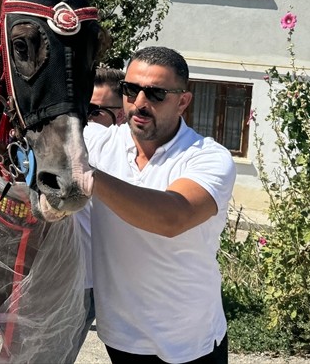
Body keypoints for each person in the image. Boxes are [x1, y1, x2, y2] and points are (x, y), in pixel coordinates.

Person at [74, 47, 236, 364]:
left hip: (189, 345)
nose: (140, 102)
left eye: (156, 93)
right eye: (131, 90)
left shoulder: (208, 157)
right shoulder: (98, 143)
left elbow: (171, 218)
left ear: (184, 101)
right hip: (120, 340)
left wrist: (89, 177)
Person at [71, 66, 129, 355]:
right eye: (82, 107)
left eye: (94, 111)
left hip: (105, 283)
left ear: (121, 114)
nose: (84, 118)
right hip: (77, 281)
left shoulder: (118, 145)